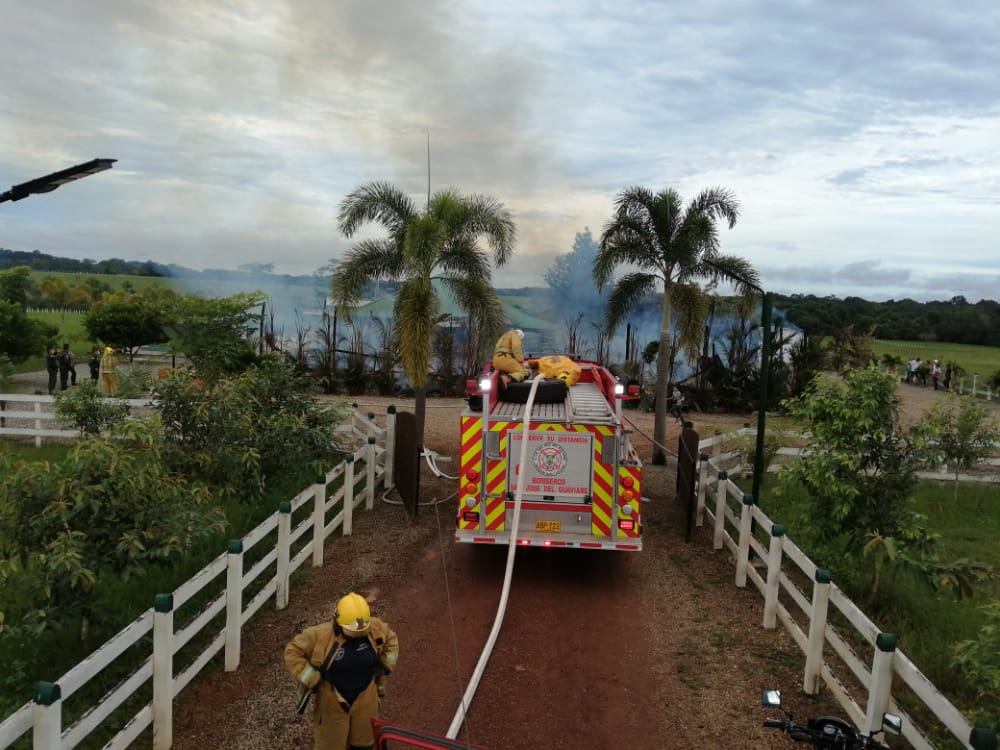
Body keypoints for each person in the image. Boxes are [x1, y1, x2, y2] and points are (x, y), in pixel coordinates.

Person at [285, 592, 399, 750]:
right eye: (353, 634)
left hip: (366, 701)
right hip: (332, 704)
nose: (358, 636)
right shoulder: (320, 635)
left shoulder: (375, 627)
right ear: (338, 624)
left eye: (362, 633)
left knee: (364, 745)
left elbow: (392, 640)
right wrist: (312, 678)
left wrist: (386, 665)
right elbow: (292, 651)